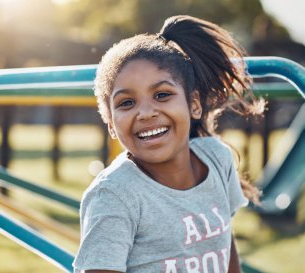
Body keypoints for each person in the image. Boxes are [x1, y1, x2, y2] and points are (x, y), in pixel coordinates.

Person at [73, 15, 264, 273]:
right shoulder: (113, 196)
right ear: (111, 125)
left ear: (193, 104)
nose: (146, 113)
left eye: (162, 95)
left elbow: (224, 246)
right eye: (126, 103)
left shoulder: (218, 159)